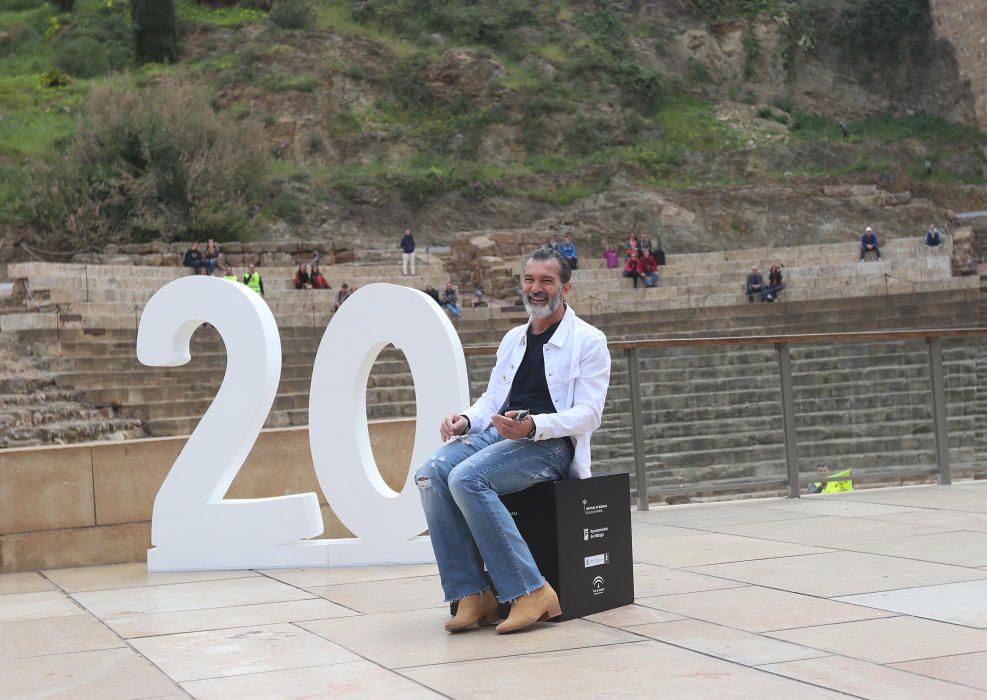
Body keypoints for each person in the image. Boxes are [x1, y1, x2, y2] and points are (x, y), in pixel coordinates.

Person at [415, 246, 610, 634]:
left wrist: (534, 425)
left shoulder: (588, 340)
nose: (535, 289)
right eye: (529, 280)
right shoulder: (513, 340)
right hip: (502, 435)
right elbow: (493, 400)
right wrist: (465, 419)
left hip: (550, 444)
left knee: (466, 478)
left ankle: (531, 590)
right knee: (430, 473)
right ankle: (472, 594)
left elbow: (590, 414)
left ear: (565, 288)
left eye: (546, 281)